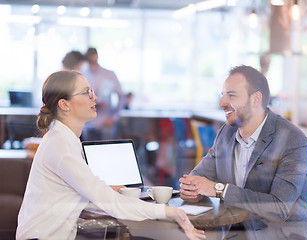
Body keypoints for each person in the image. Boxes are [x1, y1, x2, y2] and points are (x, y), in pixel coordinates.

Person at [16, 71, 205, 240]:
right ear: (64, 104)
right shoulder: (61, 147)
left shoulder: (63, 139)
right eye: (86, 92)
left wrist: (104, 188)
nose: (95, 97)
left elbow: (74, 190)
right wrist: (170, 211)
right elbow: (110, 202)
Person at [179, 65, 307, 239]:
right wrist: (190, 188)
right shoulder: (226, 133)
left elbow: (279, 208)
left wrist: (219, 189)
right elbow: (197, 178)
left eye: (232, 95)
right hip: (234, 233)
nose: (221, 103)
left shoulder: (292, 140)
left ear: (255, 99)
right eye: (222, 95)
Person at [82, 47, 123, 140]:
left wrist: (114, 117)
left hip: (106, 123)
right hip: (87, 124)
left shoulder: (109, 74)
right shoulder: (82, 75)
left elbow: (121, 96)